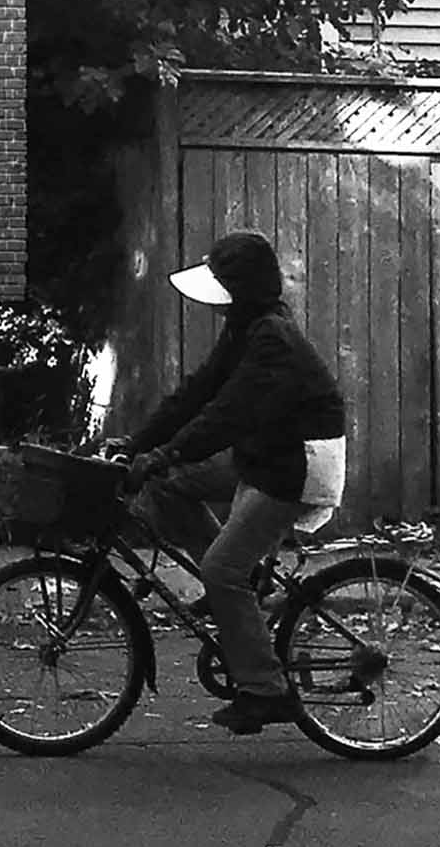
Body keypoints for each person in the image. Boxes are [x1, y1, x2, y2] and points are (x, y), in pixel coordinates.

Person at [113, 229, 352, 733]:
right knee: (168, 487)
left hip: (296, 463)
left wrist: (168, 452)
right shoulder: (248, 328)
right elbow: (197, 393)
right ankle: (238, 594)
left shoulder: (271, 340)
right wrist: (138, 444)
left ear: (241, 290)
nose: (217, 304)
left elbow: (225, 415)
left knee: (223, 569)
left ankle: (266, 690)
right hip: (264, 454)